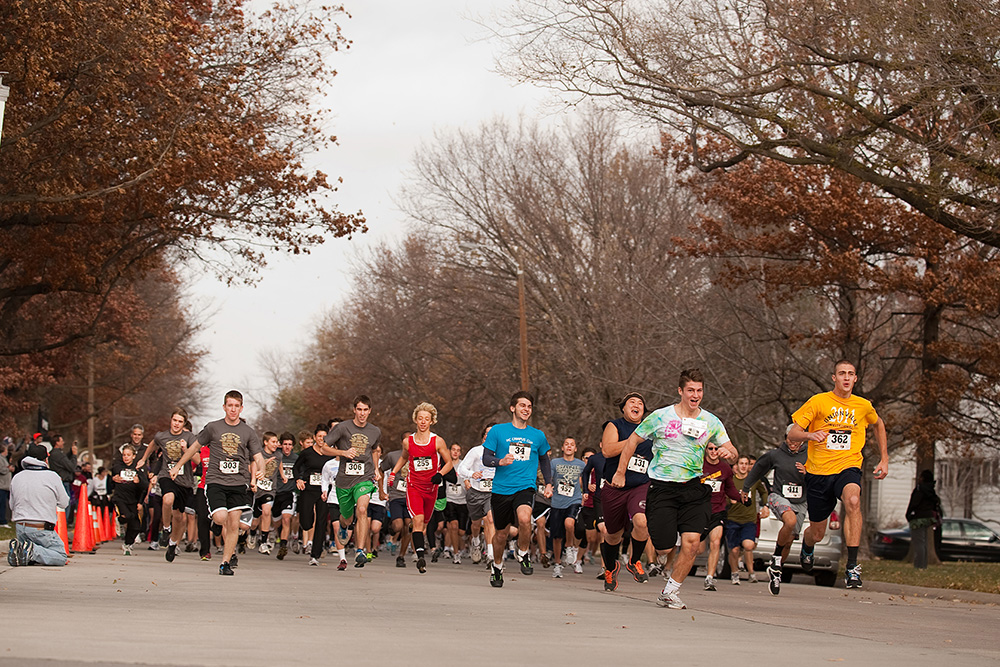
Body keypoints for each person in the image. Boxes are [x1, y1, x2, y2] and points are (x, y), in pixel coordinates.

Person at [610, 368, 738, 610]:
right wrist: (620, 472)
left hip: (693, 488)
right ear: (680, 391)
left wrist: (727, 452)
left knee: (691, 543)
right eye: (691, 390)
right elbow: (633, 442)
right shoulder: (660, 417)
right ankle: (659, 554)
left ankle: (670, 592)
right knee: (665, 546)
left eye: (699, 390)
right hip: (662, 489)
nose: (695, 395)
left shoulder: (711, 421)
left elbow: (733, 451)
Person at [789, 359, 888, 589]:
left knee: (853, 501)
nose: (846, 377)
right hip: (819, 472)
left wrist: (884, 457)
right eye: (841, 373)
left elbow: (878, 424)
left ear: (855, 379)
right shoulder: (818, 402)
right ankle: (807, 544)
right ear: (834, 378)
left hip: (848, 466)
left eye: (850, 373)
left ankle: (852, 567)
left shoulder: (863, 405)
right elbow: (794, 432)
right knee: (817, 532)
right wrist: (810, 436)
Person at [169, 390, 266, 576]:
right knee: (221, 518)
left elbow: (258, 456)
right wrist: (178, 465)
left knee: (234, 524)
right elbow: (194, 448)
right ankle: (216, 523)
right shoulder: (213, 428)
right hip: (215, 481)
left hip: (238, 482)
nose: (233, 409)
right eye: (230, 405)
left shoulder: (248, 432)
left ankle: (225, 563)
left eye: (236, 406)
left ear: (241, 408)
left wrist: (261, 469)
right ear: (224, 407)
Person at [482, 391, 553, 588]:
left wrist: (548, 483)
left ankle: (523, 552)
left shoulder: (537, 435)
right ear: (513, 408)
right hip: (501, 489)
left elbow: (544, 460)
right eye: (522, 405)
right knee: (501, 534)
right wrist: (500, 461)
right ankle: (497, 567)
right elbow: (486, 458)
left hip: (525, 486)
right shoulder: (498, 431)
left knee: (524, 519)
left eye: (529, 406)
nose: (526, 409)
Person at [388, 402, 453, 573]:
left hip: (431, 489)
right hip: (414, 486)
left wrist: (440, 474)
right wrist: (393, 472)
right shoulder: (408, 442)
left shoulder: (437, 441)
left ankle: (419, 550)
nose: (423, 422)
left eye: (427, 419)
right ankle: (421, 557)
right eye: (420, 419)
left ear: (432, 421)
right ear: (415, 420)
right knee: (417, 520)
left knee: (423, 524)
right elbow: (403, 458)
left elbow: (449, 463)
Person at [319, 395, 383, 568]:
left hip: (365, 478)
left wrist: (376, 469)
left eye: (365, 410)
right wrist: (342, 453)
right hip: (344, 481)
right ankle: (342, 525)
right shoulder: (342, 428)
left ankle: (360, 550)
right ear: (354, 410)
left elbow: (375, 450)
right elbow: (323, 448)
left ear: (370, 411)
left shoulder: (375, 431)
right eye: (359, 409)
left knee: (362, 510)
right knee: (347, 518)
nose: (362, 413)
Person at [744, 424, 807, 595]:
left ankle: (776, 571)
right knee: (790, 520)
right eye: (790, 439)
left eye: (796, 440)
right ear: (785, 437)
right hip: (779, 496)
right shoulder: (776, 455)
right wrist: (746, 487)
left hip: (801, 501)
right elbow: (758, 469)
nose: (793, 443)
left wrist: (809, 472)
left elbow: (822, 474)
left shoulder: (811, 454)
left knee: (789, 540)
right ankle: (777, 557)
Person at [600, 392, 654, 590]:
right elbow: (607, 450)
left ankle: (634, 561)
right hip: (614, 487)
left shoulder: (651, 431)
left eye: (640, 403)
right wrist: (634, 439)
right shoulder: (615, 426)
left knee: (641, 521)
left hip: (640, 485)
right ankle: (611, 566)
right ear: (623, 407)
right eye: (632, 402)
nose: (636, 405)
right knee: (613, 534)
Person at [136, 408, 199, 563]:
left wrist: (186, 450)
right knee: (167, 500)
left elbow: (197, 460)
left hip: (184, 480)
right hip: (167, 475)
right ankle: (165, 529)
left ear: (184, 424)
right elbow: (152, 444)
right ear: (170, 420)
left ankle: (172, 543)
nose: (176, 424)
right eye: (174, 420)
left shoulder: (190, 437)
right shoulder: (162, 436)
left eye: (180, 421)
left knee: (179, 516)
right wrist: (144, 459)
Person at [7, 443, 70, 566]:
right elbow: (64, 503)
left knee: (28, 557)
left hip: (20, 527)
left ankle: (21, 549)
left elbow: (12, 505)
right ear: (46, 459)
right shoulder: (52, 476)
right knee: (61, 556)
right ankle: (32, 551)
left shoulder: (17, 477)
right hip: (41, 528)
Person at [457, 423, 497, 566]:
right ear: (483, 437)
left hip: (492, 492)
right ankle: (475, 541)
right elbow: (462, 468)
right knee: (475, 524)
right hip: (476, 491)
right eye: (487, 433)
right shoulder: (476, 451)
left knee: (490, 520)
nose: (490, 436)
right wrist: (471, 474)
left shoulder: (501, 452)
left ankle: (491, 554)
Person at [725, 455, 769, 584]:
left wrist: (765, 505)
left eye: (746, 463)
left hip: (749, 519)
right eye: (741, 463)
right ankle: (734, 573)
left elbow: (764, 492)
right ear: (736, 466)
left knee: (748, 545)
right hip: (733, 519)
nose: (744, 466)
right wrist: (730, 500)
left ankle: (751, 573)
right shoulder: (731, 480)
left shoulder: (754, 480)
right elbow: (723, 494)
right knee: (734, 549)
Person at [292, 430, 331, 566]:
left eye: (324, 437)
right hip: (308, 489)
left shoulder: (330, 453)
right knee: (307, 521)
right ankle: (305, 527)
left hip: (324, 491)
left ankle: (315, 554)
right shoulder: (307, 453)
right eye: (319, 436)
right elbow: (296, 468)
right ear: (315, 437)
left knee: (321, 521)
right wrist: (298, 480)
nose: (322, 439)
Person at [549, 437, 586, 578]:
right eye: (566, 444)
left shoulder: (581, 464)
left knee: (569, 523)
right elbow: (550, 479)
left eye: (572, 444)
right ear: (562, 448)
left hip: (574, 500)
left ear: (575, 449)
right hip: (557, 502)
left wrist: (586, 493)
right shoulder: (555, 463)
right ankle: (558, 564)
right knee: (557, 537)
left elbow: (583, 482)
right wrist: (549, 487)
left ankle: (570, 547)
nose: (569, 446)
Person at [248, 431, 283, 554]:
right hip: (257, 489)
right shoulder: (258, 454)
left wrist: (283, 475)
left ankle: (263, 542)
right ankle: (252, 533)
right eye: (273, 442)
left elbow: (279, 464)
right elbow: (251, 467)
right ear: (265, 442)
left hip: (270, 489)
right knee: (254, 521)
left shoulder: (278, 455)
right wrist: (262, 465)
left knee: (267, 512)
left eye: (276, 442)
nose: (276, 444)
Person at [113, 443, 148, 555]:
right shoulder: (117, 466)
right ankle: (119, 520)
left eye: (128, 455)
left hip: (133, 499)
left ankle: (127, 544)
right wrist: (114, 478)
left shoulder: (138, 468)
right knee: (127, 516)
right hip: (120, 498)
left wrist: (139, 482)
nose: (126, 457)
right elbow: (111, 479)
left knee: (136, 526)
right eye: (124, 455)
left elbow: (145, 486)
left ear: (133, 456)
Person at [906, 469, 942, 570]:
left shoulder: (919, 489)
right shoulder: (931, 490)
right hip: (928, 518)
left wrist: (909, 515)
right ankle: (923, 564)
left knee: (919, 543)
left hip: (918, 518)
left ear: (922, 478)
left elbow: (914, 503)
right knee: (924, 542)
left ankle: (919, 566)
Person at [0, 443, 12, 527]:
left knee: (7, 503)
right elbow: (1, 470)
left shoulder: (4, 459)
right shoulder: (0, 459)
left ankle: (6, 518)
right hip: (2, 485)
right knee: (2, 504)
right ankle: (2, 521)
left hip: (6, 485)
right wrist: (9, 469)